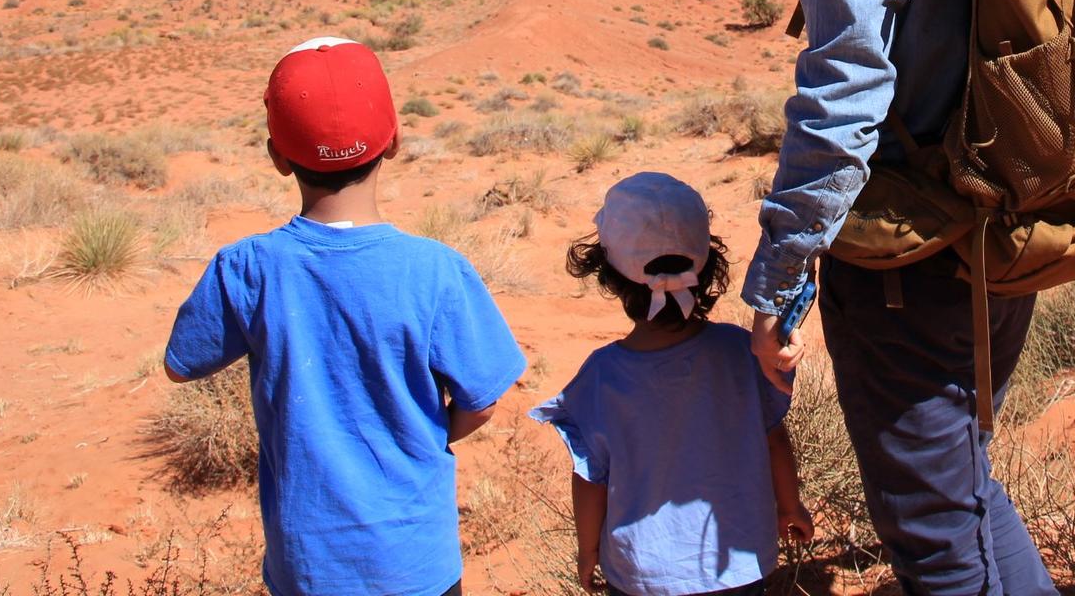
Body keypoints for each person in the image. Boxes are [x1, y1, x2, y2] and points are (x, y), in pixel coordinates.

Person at [728, 0, 1060, 595]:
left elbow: (840, 107)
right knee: (962, 483)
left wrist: (779, 283)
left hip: (912, 263)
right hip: (1008, 225)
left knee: (930, 532)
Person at [163, 37, 527, 596]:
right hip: (418, 563)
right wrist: (426, 436)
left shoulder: (248, 268)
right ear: (396, 140)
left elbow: (182, 364)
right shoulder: (435, 270)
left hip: (308, 565)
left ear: (277, 157)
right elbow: (483, 401)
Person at [531, 171, 812, 595]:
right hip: (739, 560)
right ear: (708, 265)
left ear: (609, 276)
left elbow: (590, 476)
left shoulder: (601, 375)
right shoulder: (742, 353)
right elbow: (774, 438)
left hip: (644, 575)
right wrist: (789, 505)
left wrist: (587, 550)